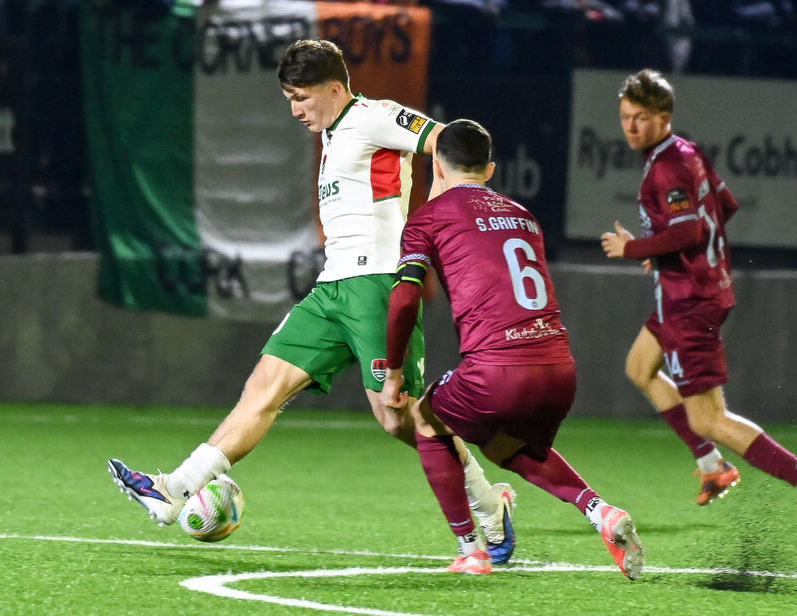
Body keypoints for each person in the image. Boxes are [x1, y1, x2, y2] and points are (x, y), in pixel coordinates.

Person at [107, 39, 516, 563]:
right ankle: (174, 490)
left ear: (334, 87)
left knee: (399, 419)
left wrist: (438, 212)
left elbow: (447, 141)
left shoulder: (375, 117)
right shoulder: (333, 134)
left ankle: (489, 504)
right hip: (331, 289)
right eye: (289, 99)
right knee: (263, 387)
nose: (295, 110)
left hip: (377, 287)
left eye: (301, 97)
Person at [381, 119, 644, 578]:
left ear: (436, 168)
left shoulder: (428, 215)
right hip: (560, 369)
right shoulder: (524, 215)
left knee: (424, 419)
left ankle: (470, 550)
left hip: (498, 370)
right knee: (505, 448)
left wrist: (394, 372)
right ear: (491, 169)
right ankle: (600, 511)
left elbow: (405, 296)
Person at [601, 68, 797, 505]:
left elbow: (688, 232)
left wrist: (636, 249)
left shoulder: (666, 168)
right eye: (626, 116)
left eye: (642, 117)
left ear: (665, 117)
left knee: (710, 418)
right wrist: (670, 253)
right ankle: (711, 467)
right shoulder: (687, 152)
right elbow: (725, 205)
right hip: (690, 292)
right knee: (640, 367)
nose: (631, 126)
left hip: (689, 302)